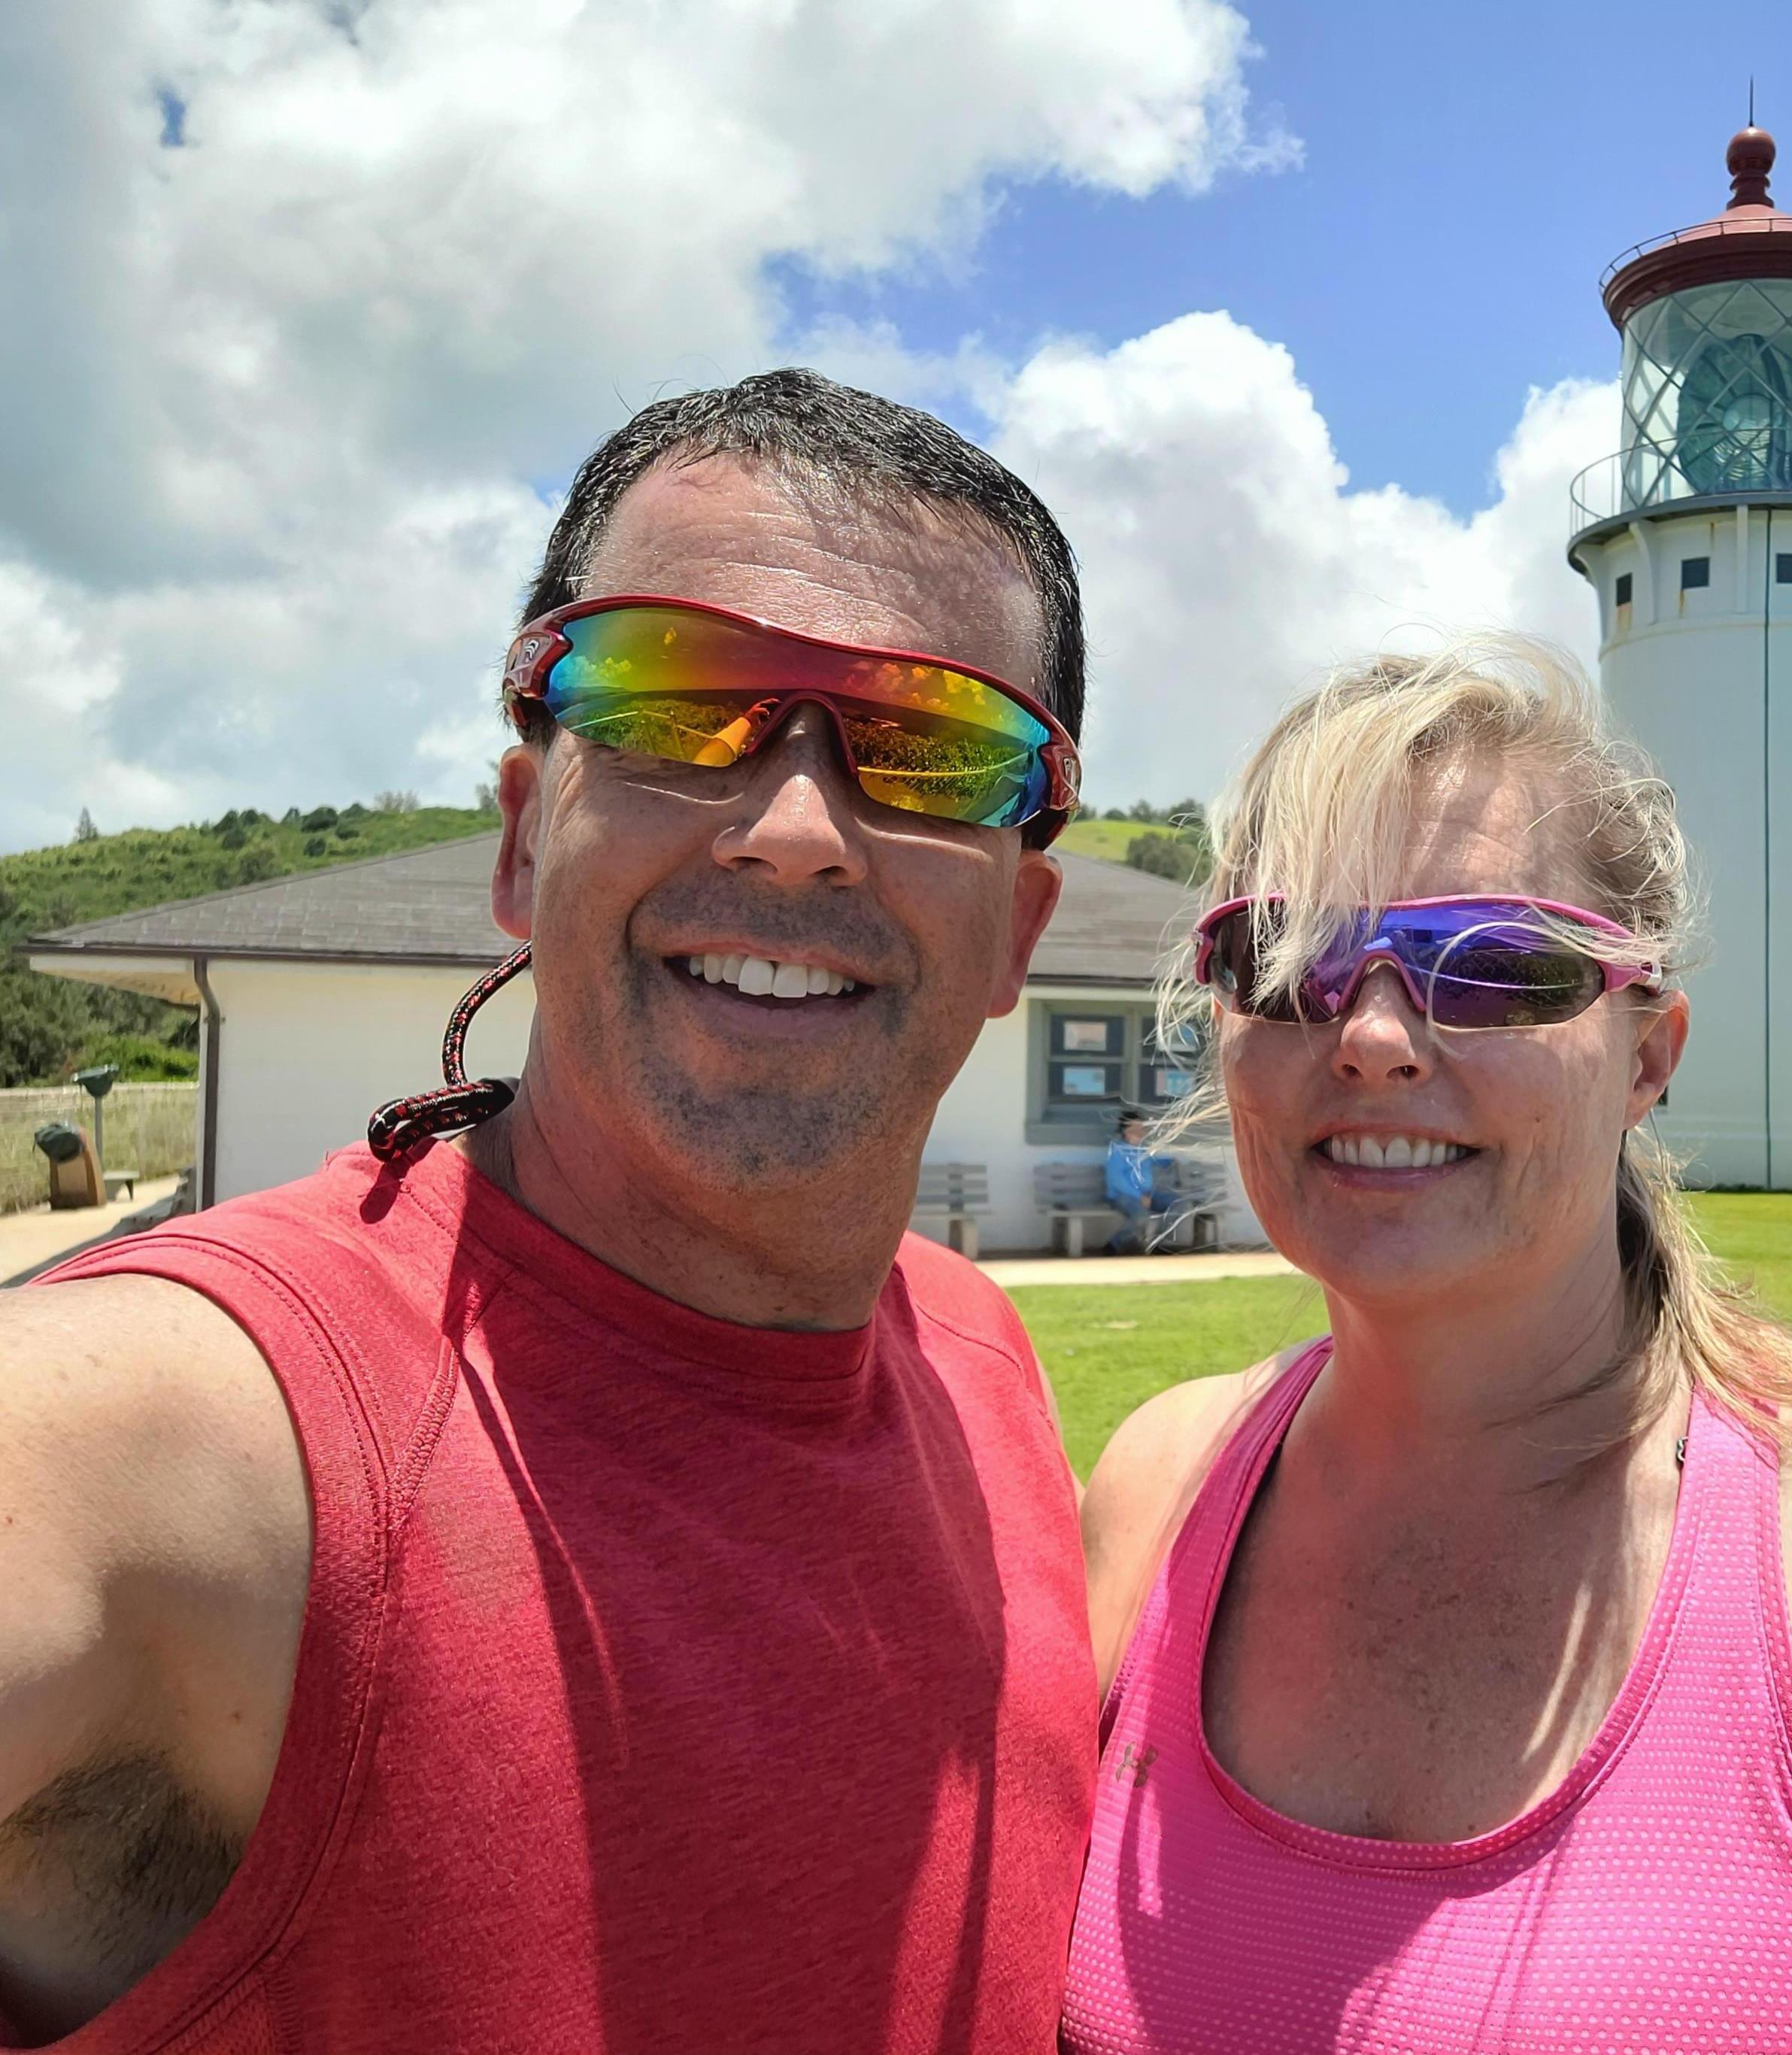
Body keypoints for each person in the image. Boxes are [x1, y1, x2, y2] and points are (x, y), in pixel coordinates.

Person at [1, 371, 1101, 2052]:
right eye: (673, 700)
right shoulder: (191, 1426)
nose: (798, 828)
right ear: (526, 840)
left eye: (933, 745)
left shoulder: (982, 1359)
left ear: (1019, 932)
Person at [1063, 640, 1792, 2051]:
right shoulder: (1152, 1494)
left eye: (1490, 964)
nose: (1375, 1037)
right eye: (1285, 960)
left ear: (1649, 1053)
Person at [1104, 1110, 1183, 1254]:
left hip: (1147, 1195)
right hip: (1124, 1196)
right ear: (1126, 1130)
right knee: (1141, 1217)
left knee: (1178, 1204)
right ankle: (1113, 1246)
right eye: (1136, 1128)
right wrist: (1139, 1196)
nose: (1141, 1131)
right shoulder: (1117, 1151)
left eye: (1142, 1127)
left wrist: (1169, 1162)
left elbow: (1151, 1160)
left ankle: (1158, 1243)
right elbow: (1117, 1181)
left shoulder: (1142, 1149)